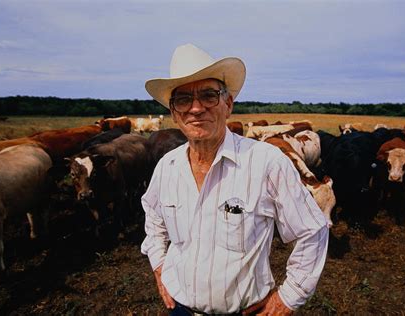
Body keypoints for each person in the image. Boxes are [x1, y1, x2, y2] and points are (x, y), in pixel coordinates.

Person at [141, 43, 329, 315]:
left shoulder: (266, 162)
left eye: (208, 96)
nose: (195, 109)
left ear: (228, 104)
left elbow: (312, 229)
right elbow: (153, 216)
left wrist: (288, 298)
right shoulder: (167, 167)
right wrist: (159, 267)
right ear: (173, 113)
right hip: (179, 309)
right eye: (183, 100)